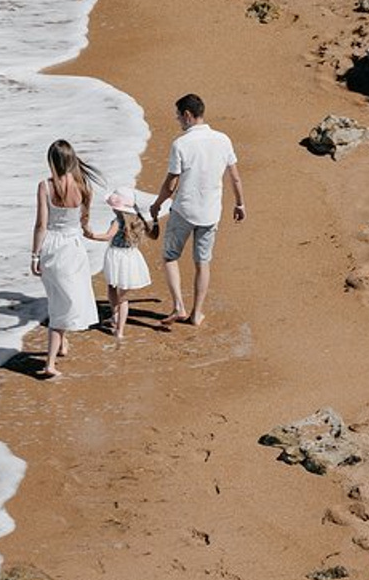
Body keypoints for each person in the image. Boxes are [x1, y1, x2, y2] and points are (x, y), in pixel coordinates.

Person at [148, 93, 245, 327]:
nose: (178, 121)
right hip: (210, 214)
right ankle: (196, 313)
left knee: (170, 257)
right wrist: (240, 203)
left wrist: (157, 204)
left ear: (188, 116)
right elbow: (235, 177)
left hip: (184, 211)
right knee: (203, 262)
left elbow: (171, 184)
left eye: (179, 117)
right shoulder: (223, 140)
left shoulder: (181, 144)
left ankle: (179, 305)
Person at [30, 139, 101, 378]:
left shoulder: (45, 186)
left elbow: (41, 224)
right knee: (65, 300)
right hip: (73, 248)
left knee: (57, 302)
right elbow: (84, 222)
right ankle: (60, 346)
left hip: (52, 247)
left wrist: (34, 255)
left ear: (52, 161)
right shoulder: (83, 187)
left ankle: (50, 362)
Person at [86, 187, 157, 340]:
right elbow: (153, 234)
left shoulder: (117, 220)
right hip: (131, 257)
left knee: (112, 286)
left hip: (116, 256)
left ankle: (115, 316)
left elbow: (107, 236)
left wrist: (91, 236)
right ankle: (120, 330)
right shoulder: (138, 219)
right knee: (123, 296)